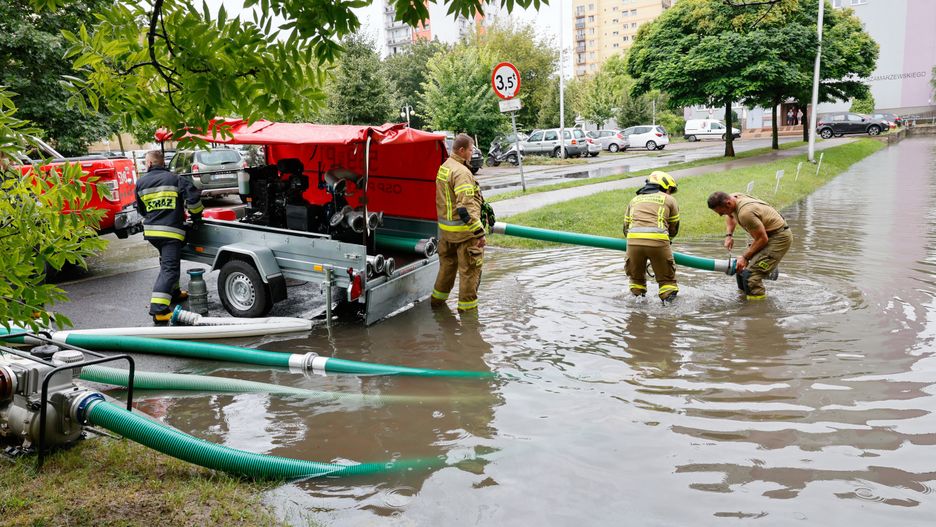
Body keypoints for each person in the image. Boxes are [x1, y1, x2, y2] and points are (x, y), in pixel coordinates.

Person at [135, 150, 204, 324]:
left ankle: (174, 293)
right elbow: (194, 199)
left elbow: (141, 209)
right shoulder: (176, 179)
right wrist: (196, 218)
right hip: (171, 233)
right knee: (169, 269)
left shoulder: (141, 182)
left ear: (150, 164)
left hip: (152, 233)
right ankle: (159, 310)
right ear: (162, 162)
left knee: (168, 262)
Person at [431, 134, 490, 312]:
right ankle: (469, 319)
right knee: (469, 273)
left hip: (446, 234)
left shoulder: (445, 167)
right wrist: (479, 233)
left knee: (446, 270)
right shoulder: (462, 172)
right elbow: (464, 209)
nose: (473, 154)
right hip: (465, 234)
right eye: (471, 150)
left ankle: (437, 305)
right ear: (462, 150)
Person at [707, 191, 792, 300]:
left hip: (779, 238)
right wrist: (729, 235)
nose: (720, 215)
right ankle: (744, 299)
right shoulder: (734, 198)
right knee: (741, 269)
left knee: (751, 275)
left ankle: (757, 310)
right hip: (766, 236)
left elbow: (762, 239)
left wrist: (745, 257)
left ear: (728, 203)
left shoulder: (745, 213)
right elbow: (730, 215)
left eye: (721, 212)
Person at [622, 171, 680, 303]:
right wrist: (667, 242)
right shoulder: (669, 200)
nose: (670, 193)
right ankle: (668, 318)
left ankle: (637, 317)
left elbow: (625, 227)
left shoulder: (634, 200)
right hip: (658, 243)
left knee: (636, 283)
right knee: (667, 284)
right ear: (665, 186)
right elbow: (674, 227)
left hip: (633, 243)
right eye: (670, 190)